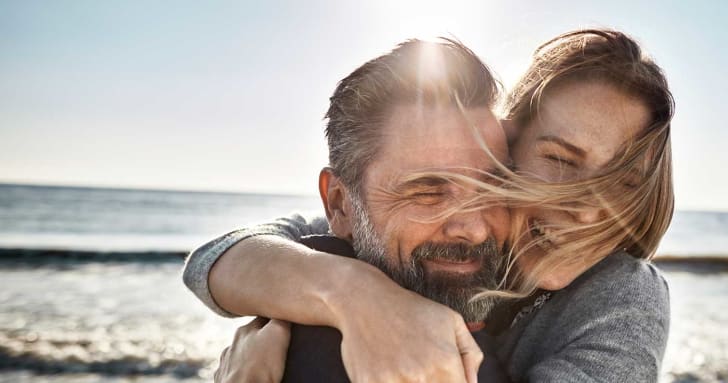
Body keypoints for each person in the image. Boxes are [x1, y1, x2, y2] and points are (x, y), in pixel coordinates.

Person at [186, 28, 674, 382]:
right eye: (561, 160)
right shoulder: (356, 245)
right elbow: (216, 261)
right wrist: (354, 295)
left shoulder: (619, 293)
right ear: (509, 144)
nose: (588, 212)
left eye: (623, 183)